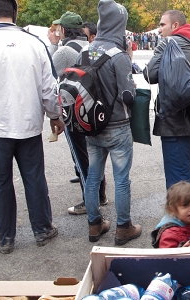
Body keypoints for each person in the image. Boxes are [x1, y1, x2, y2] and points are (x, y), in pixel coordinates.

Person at [0, 0, 65, 254]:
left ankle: (4, 237)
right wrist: (55, 116)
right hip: (29, 124)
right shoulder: (34, 43)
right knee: (34, 178)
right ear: (15, 12)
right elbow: (49, 87)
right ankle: (42, 228)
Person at [82, 0, 140, 245]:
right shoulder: (119, 56)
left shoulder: (84, 52)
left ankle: (95, 225)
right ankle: (123, 227)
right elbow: (128, 96)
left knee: (93, 177)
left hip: (91, 126)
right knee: (121, 179)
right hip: (117, 127)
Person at [143, 10, 190, 218]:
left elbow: (149, 75)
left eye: (162, 24)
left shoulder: (167, 44)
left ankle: (182, 234)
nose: (160, 28)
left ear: (175, 25)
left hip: (175, 122)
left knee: (179, 182)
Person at [47, 11, 110, 215]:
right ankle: (101, 194)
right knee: (94, 154)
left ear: (64, 30)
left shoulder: (64, 51)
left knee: (80, 156)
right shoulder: (93, 46)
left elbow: (50, 76)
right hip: (96, 110)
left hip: (74, 113)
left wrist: (53, 44)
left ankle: (89, 200)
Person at [151, 181, 190, 248]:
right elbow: (167, 257)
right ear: (172, 210)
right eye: (185, 205)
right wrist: (181, 251)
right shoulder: (169, 234)